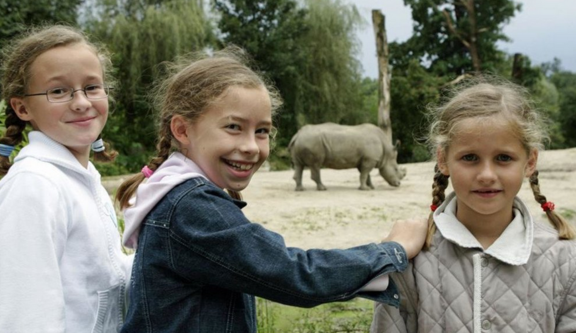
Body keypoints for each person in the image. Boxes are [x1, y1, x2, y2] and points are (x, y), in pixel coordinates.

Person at [114, 47, 428, 333]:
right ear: (182, 130)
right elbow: (296, 274)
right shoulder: (192, 207)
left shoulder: (173, 193)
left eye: (262, 131)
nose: (251, 146)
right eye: (233, 127)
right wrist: (392, 250)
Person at [370, 79, 576, 332]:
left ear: (530, 161)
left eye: (504, 158)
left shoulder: (568, 262)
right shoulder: (410, 260)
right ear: (443, 159)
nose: (487, 174)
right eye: (470, 157)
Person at [0, 25, 132, 332]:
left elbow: (106, 275)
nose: (81, 102)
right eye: (58, 91)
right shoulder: (34, 185)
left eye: (92, 87)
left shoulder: (80, 176)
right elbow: (24, 315)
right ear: (22, 107)